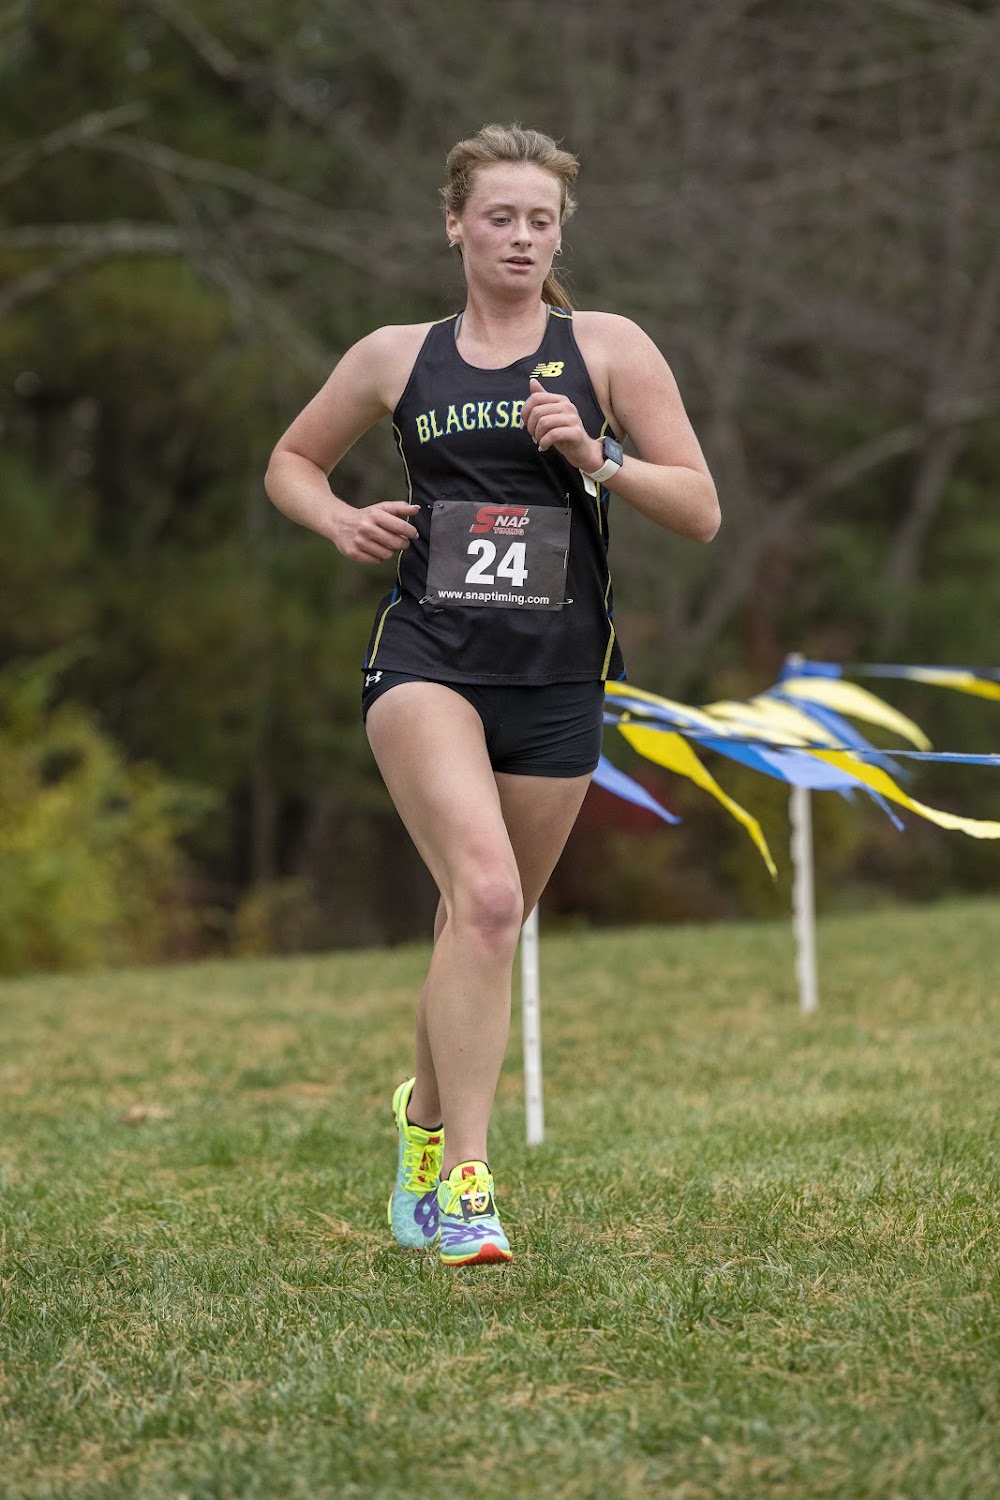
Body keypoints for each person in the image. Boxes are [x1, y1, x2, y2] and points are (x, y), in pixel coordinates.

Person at [264, 123, 720, 1268]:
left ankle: (418, 1129)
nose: (522, 237)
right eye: (501, 217)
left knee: (481, 921)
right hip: (427, 659)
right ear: (455, 224)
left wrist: (598, 457)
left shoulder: (606, 348)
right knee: (482, 894)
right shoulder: (395, 357)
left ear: (559, 235)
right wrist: (339, 520)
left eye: (541, 220)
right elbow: (290, 461)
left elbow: (700, 509)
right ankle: (468, 1183)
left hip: (558, 676)